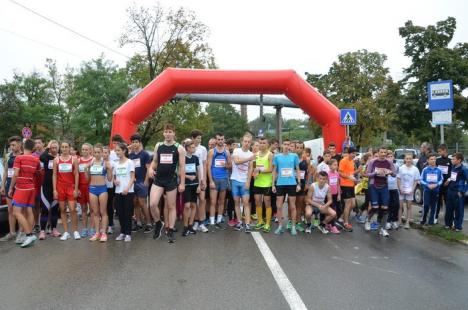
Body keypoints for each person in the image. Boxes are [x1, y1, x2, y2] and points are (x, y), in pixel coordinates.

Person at [148, 123, 186, 243]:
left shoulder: (179, 148)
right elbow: (154, 161)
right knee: (153, 204)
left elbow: (182, 167)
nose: (168, 134)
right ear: (163, 133)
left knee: (171, 206)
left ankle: (170, 230)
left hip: (171, 180)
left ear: (174, 133)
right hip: (158, 179)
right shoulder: (158, 145)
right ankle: (159, 223)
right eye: (166, 131)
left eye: (170, 132)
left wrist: (182, 183)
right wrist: (150, 169)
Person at [8, 139, 41, 248]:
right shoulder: (36, 159)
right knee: (29, 210)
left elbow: (16, 174)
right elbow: (38, 172)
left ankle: (29, 234)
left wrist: (11, 187)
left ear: (22, 146)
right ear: (33, 148)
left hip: (22, 188)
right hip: (32, 188)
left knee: (16, 212)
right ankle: (29, 234)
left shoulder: (19, 158)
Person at [364, 146, 396, 237]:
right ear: (378, 153)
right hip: (373, 186)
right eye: (381, 152)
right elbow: (367, 174)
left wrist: (389, 172)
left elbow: (394, 174)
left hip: (384, 186)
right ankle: (368, 220)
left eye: (384, 153)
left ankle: (382, 228)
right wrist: (375, 173)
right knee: (375, 207)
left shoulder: (389, 162)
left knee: (385, 208)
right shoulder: (372, 161)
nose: (383, 154)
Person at [272, 139, 301, 236]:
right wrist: (273, 184)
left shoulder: (294, 156)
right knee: (279, 206)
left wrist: (299, 183)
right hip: (280, 184)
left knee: (292, 206)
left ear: (290, 146)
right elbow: (274, 171)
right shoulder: (277, 156)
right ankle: (280, 226)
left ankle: (293, 226)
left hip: (292, 184)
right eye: (285, 144)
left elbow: (297, 169)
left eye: (288, 144)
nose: (286, 146)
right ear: (282, 145)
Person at [53, 141, 80, 240]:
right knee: (63, 209)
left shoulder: (74, 159)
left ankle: (75, 231)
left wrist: (76, 189)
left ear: (69, 148)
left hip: (71, 187)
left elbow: (76, 174)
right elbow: (54, 175)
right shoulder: (56, 160)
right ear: (61, 148)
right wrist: (54, 189)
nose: (64, 149)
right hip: (60, 187)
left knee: (73, 209)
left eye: (66, 147)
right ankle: (65, 232)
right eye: (63, 147)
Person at [88, 144, 113, 242]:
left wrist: (109, 169)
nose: (97, 154)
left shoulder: (105, 162)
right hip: (92, 189)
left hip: (102, 189)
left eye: (99, 152)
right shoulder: (92, 162)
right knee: (95, 212)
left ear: (102, 153)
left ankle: (103, 233)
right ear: (93, 153)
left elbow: (110, 179)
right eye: (95, 152)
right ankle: (97, 232)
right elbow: (87, 178)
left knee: (103, 212)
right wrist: (86, 169)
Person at [207, 132, 231, 231]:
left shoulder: (227, 152)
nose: (220, 141)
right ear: (216, 140)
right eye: (219, 139)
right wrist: (211, 181)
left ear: (224, 140)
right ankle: (212, 222)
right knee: (213, 202)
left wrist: (227, 166)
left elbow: (230, 166)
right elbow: (208, 167)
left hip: (224, 178)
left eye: (222, 139)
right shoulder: (212, 151)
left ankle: (219, 221)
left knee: (221, 201)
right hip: (215, 179)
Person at [230, 134, 254, 232]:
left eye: (249, 142)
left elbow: (251, 168)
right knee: (236, 202)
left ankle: (247, 224)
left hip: (244, 181)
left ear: (250, 143)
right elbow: (236, 161)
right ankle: (239, 222)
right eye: (245, 141)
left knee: (246, 203)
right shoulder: (236, 150)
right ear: (242, 141)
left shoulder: (251, 154)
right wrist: (249, 158)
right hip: (235, 180)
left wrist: (248, 181)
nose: (247, 143)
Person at [0, 136, 22, 242]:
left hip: (20, 186)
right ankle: (12, 232)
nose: (12, 147)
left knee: (20, 210)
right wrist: (3, 185)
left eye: (14, 145)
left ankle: (21, 232)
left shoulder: (24, 155)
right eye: (11, 145)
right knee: (10, 210)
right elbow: (5, 171)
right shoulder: (8, 156)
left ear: (20, 144)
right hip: (9, 185)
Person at [129, 134, 153, 233]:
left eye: (136, 142)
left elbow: (148, 168)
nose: (134, 144)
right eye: (133, 142)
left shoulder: (145, 154)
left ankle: (149, 223)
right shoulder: (130, 155)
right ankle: (138, 223)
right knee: (135, 203)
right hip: (133, 182)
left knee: (143, 203)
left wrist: (146, 181)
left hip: (142, 182)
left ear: (140, 143)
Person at [38, 140, 61, 240]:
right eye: (52, 148)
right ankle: (42, 231)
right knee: (45, 209)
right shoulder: (46, 157)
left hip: (57, 186)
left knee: (55, 209)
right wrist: (47, 146)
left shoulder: (60, 158)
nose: (54, 149)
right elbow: (41, 157)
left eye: (56, 148)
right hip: (46, 186)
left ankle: (54, 229)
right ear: (50, 148)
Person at [113, 143, 135, 242]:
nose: (117, 152)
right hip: (118, 191)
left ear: (124, 151)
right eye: (116, 151)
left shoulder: (130, 162)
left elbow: (132, 177)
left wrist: (127, 188)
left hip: (128, 191)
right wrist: (114, 181)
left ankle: (128, 233)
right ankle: (122, 232)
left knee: (127, 213)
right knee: (120, 213)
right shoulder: (116, 163)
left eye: (118, 150)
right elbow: (114, 177)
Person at [182, 139, 203, 236]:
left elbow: (199, 172)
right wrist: (188, 176)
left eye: (194, 147)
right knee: (187, 206)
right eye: (192, 147)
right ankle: (185, 226)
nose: (194, 148)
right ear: (187, 148)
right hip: (186, 185)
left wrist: (199, 184)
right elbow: (179, 172)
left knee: (194, 205)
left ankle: (190, 225)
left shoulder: (195, 158)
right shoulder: (182, 158)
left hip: (195, 185)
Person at [253, 137, 274, 233]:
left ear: (267, 144)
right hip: (257, 182)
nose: (261, 144)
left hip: (267, 183)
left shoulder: (270, 155)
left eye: (264, 143)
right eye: (260, 143)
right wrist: (254, 173)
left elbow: (271, 169)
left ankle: (267, 223)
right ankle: (260, 221)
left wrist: (260, 170)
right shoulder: (255, 155)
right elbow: (253, 168)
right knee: (257, 202)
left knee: (267, 203)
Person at [191, 130, 208, 233]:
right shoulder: (188, 147)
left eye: (200, 138)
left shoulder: (203, 149)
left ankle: (202, 222)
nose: (199, 140)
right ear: (192, 138)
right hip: (192, 177)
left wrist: (204, 179)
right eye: (197, 138)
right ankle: (196, 221)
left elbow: (204, 164)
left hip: (201, 177)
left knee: (202, 199)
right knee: (194, 201)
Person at [445, 153, 467, 231]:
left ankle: (458, 226)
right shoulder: (453, 167)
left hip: (458, 192)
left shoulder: (463, 169)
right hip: (450, 190)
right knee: (449, 208)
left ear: (459, 160)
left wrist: (463, 191)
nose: (452, 160)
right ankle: (448, 224)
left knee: (459, 210)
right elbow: (452, 177)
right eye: (452, 159)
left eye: (454, 159)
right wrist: (448, 181)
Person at [397, 153, 420, 229]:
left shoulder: (415, 169)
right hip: (402, 190)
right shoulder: (401, 168)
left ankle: (407, 222)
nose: (408, 160)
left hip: (410, 190)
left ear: (412, 159)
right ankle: (399, 221)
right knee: (400, 206)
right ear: (405, 159)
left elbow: (416, 181)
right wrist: (400, 188)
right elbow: (398, 179)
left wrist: (412, 190)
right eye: (407, 158)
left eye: (410, 158)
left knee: (409, 206)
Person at [420, 153, 443, 226]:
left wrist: (437, 184)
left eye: (434, 159)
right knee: (426, 205)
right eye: (431, 159)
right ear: (428, 160)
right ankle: (423, 219)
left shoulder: (439, 170)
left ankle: (431, 222)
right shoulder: (425, 170)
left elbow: (441, 179)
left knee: (434, 206)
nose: (433, 161)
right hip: (427, 190)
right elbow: (421, 180)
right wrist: (427, 185)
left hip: (435, 190)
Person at [338, 147, 358, 232]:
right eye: (352, 153)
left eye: (355, 153)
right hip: (344, 185)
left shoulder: (352, 161)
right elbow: (340, 172)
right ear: (349, 153)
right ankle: (345, 223)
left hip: (351, 185)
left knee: (353, 204)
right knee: (348, 204)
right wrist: (348, 177)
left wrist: (355, 178)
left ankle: (341, 218)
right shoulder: (343, 160)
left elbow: (351, 173)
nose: (354, 155)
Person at [78, 143, 94, 238]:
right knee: (83, 209)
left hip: (91, 186)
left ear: (90, 150)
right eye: (83, 149)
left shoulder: (93, 160)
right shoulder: (78, 160)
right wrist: (76, 188)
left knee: (92, 209)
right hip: (81, 187)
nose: (84, 151)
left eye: (86, 149)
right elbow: (75, 175)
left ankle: (92, 228)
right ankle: (84, 228)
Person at [32, 136, 46, 233]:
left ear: (43, 144)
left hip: (46, 183)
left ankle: (48, 225)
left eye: (39, 143)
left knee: (46, 205)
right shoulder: (32, 156)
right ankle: (36, 224)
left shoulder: (47, 154)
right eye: (35, 143)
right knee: (36, 205)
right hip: (36, 184)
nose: (37, 145)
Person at [435, 144, 451, 224]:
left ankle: (449, 219)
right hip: (439, 184)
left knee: (448, 202)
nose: (439, 153)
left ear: (444, 150)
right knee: (437, 201)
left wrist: (448, 180)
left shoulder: (450, 160)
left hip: (447, 185)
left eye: (440, 151)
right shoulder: (437, 160)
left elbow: (453, 172)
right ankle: (435, 217)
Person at [324, 159, 341, 234]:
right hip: (329, 196)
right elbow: (327, 186)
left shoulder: (337, 173)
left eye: (337, 164)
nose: (336, 166)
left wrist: (339, 194)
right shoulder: (327, 174)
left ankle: (328, 224)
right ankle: (332, 226)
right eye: (334, 165)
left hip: (335, 195)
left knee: (336, 210)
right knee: (332, 211)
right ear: (330, 166)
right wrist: (328, 196)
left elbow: (338, 184)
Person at [102, 147, 116, 234]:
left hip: (109, 187)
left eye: (106, 152)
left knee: (109, 206)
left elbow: (113, 177)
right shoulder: (98, 162)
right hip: (100, 186)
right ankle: (104, 225)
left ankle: (110, 225)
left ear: (109, 154)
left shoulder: (113, 163)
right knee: (102, 208)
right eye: (103, 152)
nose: (104, 154)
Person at [386, 151, 400, 230]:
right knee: (388, 205)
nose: (390, 158)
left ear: (394, 157)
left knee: (396, 205)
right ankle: (388, 221)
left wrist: (399, 187)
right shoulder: (384, 166)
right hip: (387, 188)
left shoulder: (397, 166)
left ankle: (394, 220)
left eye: (392, 156)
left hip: (395, 188)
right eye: (389, 157)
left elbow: (398, 177)